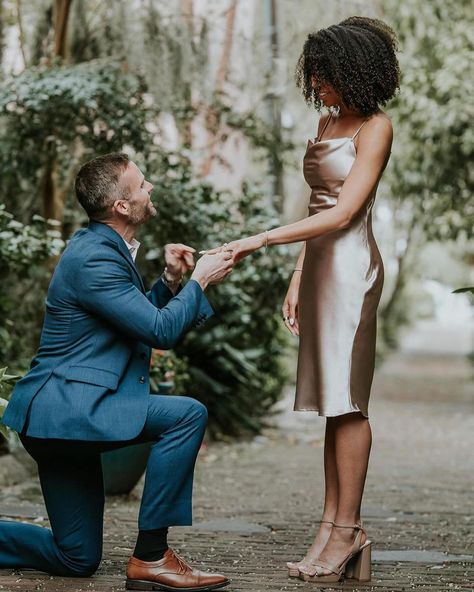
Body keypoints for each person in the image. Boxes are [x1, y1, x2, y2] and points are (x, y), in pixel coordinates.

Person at [204, 16, 400, 584]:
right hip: (318, 266)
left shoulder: (376, 128)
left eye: (325, 76)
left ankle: (348, 530)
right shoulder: (326, 120)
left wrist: (261, 239)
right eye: (314, 77)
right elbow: (318, 204)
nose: (317, 87)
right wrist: (296, 271)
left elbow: (343, 213)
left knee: (349, 401)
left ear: (354, 73)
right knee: (328, 401)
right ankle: (331, 526)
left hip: (352, 269)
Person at [0, 153, 232, 591]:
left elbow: (133, 318)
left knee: (76, 557)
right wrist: (199, 281)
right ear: (121, 207)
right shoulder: (93, 257)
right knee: (186, 415)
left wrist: (169, 281)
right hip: (67, 412)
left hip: (63, 418)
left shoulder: (101, 249)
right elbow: (159, 331)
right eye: (142, 185)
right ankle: (151, 557)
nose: (151, 189)